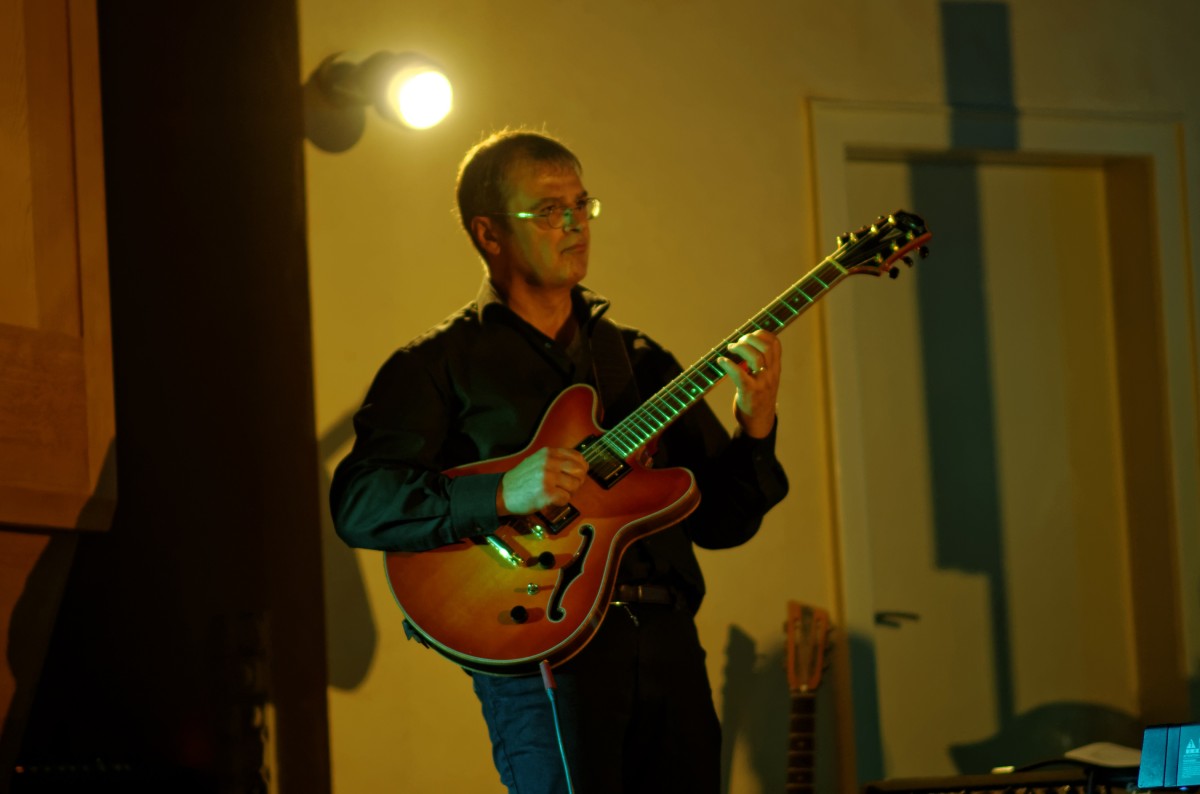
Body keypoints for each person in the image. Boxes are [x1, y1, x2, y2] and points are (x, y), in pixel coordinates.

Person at [329, 129, 789, 794]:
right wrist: (499, 494)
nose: (576, 225)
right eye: (549, 210)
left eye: (582, 205)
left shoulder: (636, 359)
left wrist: (757, 422)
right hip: (545, 650)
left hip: (666, 644)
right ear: (489, 234)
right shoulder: (435, 366)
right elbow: (359, 502)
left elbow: (723, 524)